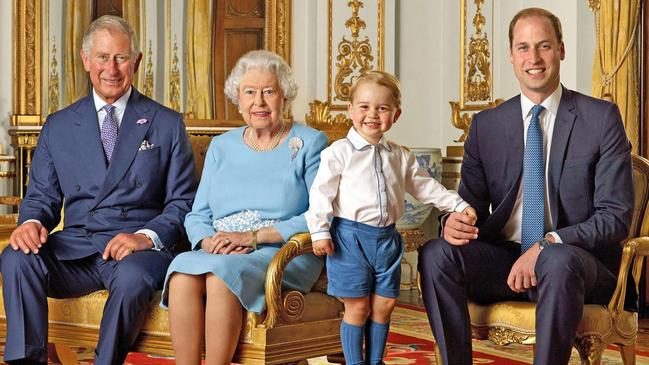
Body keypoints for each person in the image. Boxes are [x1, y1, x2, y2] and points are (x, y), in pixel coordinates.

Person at [417, 7, 634, 365]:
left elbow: (615, 218)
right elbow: (467, 205)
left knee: (557, 259)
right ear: (511, 56)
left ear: (561, 50)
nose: (533, 58)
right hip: (505, 259)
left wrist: (548, 243)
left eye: (544, 46)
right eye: (523, 47)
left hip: (577, 261)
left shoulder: (600, 119)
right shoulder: (486, 125)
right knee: (436, 253)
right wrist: (452, 224)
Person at [0, 15, 197, 365]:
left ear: (136, 62)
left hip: (135, 252)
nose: (112, 68)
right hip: (76, 248)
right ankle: (27, 361)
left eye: (121, 58)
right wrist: (30, 222)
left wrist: (145, 236)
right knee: (16, 257)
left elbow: (183, 203)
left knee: (134, 276)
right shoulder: (59, 124)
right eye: (103, 57)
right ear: (85, 59)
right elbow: (42, 198)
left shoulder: (166, 123)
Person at [162, 49, 328, 364]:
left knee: (220, 274)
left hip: (282, 251)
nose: (259, 102)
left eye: (268, 92)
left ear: (285, 97)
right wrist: (207, 240)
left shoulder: (309, 142)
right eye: (249, 92)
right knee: (182, 271)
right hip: (221, 249)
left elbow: (320, 214)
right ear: (238, 99)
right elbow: (198, 214)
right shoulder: (221, 146)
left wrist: (255, 237)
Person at [305, 70, 475, 365]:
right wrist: (319, 232)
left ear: (395, 115)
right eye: (364, 107)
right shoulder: (339, 153)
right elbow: (321, 194)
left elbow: (426, 187)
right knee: (357, 308)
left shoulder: (399, 155)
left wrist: (457, 204)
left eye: (382, 108)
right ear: (351, 110)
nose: (372, 114)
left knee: (384, 306)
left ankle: (375, 360)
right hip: (350, 239)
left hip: (387, 240)